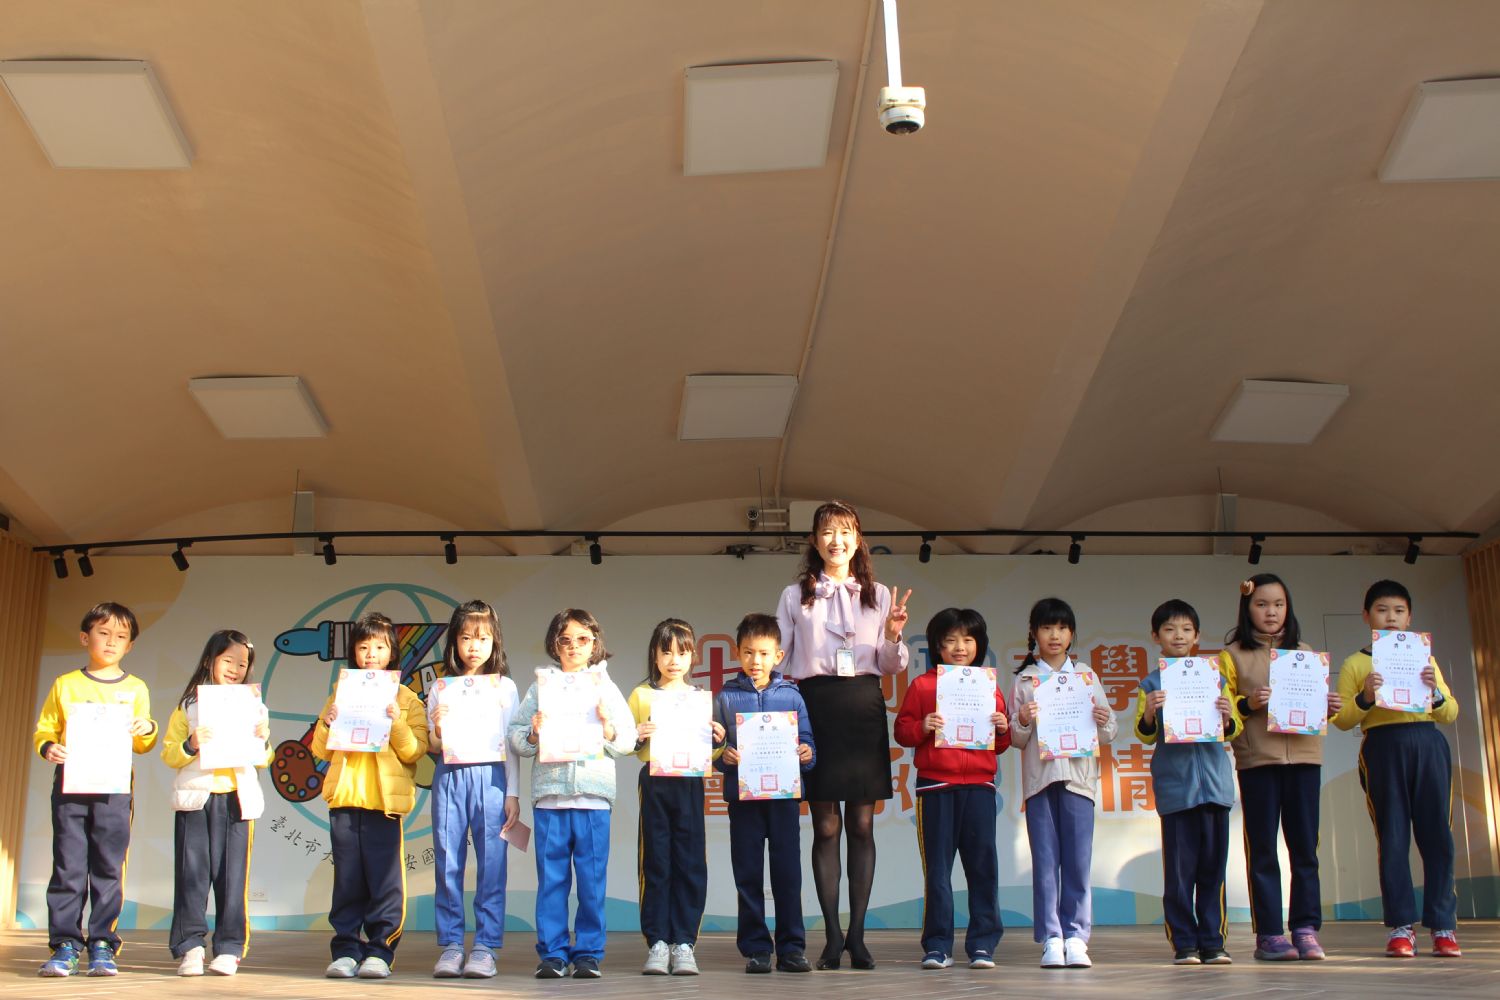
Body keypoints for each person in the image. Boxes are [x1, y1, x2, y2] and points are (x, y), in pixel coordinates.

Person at [775, 500, 910, 970]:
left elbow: (890, 665)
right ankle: (832, 936)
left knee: (862, 825)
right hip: (814, 705)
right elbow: (779, 657)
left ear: (858, 539)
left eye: (846, 531)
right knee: (826, 825)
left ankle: (858, 936)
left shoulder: (879, 594)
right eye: (828, 532)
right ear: (814, 541)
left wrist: (893, 635)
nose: (837, 540)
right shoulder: (795, 596)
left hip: (863, 706)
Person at [1331, 579, 1462, 958]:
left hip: (1428, 743)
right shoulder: (1356, 663)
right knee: (1392, 837)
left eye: (1399, 611)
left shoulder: (1425, 658)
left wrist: (1434, 693)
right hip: (1382, 747)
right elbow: (1342, 719)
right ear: (1366, 616)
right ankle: (1401, 928)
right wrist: (1366, 697)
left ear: (1409, 618)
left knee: (1438, 837)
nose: (1391, 617)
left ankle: (1443, 927)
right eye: (1382, 610)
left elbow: (1450, 713)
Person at [508, 609, 636, 980]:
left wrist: (608, 729)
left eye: (582, 639)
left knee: (592, 882)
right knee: (552, 881)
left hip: (593, 797)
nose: (574, 647)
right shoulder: (541, 686)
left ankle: (588, 954)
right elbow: (516, 737)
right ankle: (552, 953)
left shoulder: (604, 686)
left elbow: (628, 740)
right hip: (550, 797)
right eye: (565, 640)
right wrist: (533, 732)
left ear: (595, 643)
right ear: (555, 644)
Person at [1219, 573, 1341, 961]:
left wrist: (1329, 708)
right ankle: (1270, 934)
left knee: (1305, 849)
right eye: (1262, 604)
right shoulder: (1232, 655)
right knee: (1263, 851)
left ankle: (1305, 928)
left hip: (1304, 759)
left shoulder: (1304, 652)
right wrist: (1248, 703)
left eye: (1278, 604)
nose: (1271, 612)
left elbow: (1314, 709)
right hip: (1258, 762)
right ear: (1247, 608)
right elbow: (1222, 713)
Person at [35, 602, 159, 978]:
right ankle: (65, 944)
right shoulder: (66, 684)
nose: (111, 641)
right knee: (68, 865)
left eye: (120, 636)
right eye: (103, 633)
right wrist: (48, 747)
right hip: (71, 785)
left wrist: (146, 728)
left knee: (108, 865)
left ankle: (103, 942)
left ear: (130, 645)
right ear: (84, 637)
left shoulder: (136, 688)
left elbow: (144, 743)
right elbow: (46, 729)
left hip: (115, 790)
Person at [311, 611, 430, 979]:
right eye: (364, 647)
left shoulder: (406, 698)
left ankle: (380, 951)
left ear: (392, 651)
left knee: (385, 882)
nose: (371, 654)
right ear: (354, 652)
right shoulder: (340, 694)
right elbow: (320, 750)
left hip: (384, 803)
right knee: (347, 881)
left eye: (379, 647)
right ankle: (346, 950)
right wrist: (327, 723)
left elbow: (415, 751)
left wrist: (396, 720)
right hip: (346, 798)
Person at [893, 607, 1010, 970]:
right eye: (951, 640)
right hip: (936, 787)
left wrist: (1002, 727)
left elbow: (1000, 745)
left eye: (968, 639)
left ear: (979, 645)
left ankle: (983, 944)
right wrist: (923, 726)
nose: (960, 647)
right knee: (938, 871)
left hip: (980, 787)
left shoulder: (989, 686)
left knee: (983, 867)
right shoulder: (923, 685)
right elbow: (902, 731)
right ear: (937, 646)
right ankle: (938, 945)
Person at [1008, 597, 1117, 969]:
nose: (1054, 635)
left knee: (1078, 861)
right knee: (1045, 861)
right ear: (1033, 633)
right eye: (1046, 628)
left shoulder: (1086, 676)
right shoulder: (1024, 680)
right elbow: (1015, 738)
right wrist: (1023, 718)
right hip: (1040, 781)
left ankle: (1076, 937)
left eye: (1062, 628)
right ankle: (1052, 938)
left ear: (1071, 634)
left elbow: (1109, 732)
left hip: (1079, 780)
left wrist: (1102, 718)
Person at [1133, 600, 1240, 966]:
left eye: (1186, 630)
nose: (1178, 636)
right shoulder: (1150, 684)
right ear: (1155, 636)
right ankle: (1184, 943)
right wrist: (1150, 712)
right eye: (1169, 629)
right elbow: (1144, 734)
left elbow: (1233, 729)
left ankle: (1213, 941)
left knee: (1213, 869)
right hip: (1177, 791)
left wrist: (1227, 715)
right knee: (1180, 874)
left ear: (1197, 636)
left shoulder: (1216, 679)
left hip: (1215, 789)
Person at [161, 629, 272, 976]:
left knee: (232, 879)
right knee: (191, 876)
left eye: (243, 663)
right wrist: (191, 744)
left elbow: (264, 759)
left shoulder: (255, 706)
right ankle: (190, 947)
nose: (235, 669)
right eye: (228, 660)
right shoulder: (189, 706)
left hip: (237, 801)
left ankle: (229, 948)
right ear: (210, 660)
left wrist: (263, 740)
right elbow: (169, 753)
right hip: (196, 799)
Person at [713, 613, 816, 974]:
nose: (755, 660)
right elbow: (714, 749)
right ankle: (756, 948)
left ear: (778, 655)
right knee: (748, 875)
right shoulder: (726, 697)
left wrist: (807, 754)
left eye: (763, 653)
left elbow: (808, 743)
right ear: (737, 653)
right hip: (744, 801)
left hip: (784, 800)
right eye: (747, 652)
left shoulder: (792, 696)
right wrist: (723, 756)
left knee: (788, 875)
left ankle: (792, 948)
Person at [426, 600, 521, 978]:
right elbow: (434, 745)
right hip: (449, 776)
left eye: (482, 638)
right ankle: (451, 944)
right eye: (466, 638)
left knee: (492, 862)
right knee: (448, 860)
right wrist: (437, 726)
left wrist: (512, 793)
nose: (473, 646)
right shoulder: (440, 687)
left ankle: (484, 946)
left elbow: (513, 744)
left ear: (494, 641)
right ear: (454, 642)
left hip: (492, 777)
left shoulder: (505, 687)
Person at [628, 618, 724, 976]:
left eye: (681, 653)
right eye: (666, 652)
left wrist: (718, 739)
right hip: (655, 780)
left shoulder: (700, 698)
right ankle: (657, 942)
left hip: (689, 781)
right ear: (654, 655)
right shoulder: (641, 695)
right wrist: (637, 735)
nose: (673, 660)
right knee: (656, 860)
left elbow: (712, 753)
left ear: (692, 656)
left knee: (689, 860)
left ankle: (684, 942)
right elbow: (626, 742)